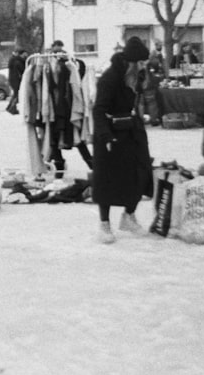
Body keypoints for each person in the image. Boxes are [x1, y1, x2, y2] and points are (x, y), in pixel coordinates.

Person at [91, 36, 151, 243]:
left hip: (131, 130)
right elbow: (98, 109)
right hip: (110, 133)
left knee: (139, 172)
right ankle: (104, 224)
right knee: (108, 178)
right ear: (132, 63)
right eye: (142, 63)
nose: (145, 66)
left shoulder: (136, 77)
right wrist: (105, 135)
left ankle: (129, 216)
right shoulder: (110, 78)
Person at [48, 40, 93, 170]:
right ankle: (61, 164)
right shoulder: (48, 65)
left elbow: (76, 84)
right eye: (56, 51)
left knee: (69, 137)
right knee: (61, 138)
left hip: (64, 107)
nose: (58, 53)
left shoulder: (69, 65)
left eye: (60, 51)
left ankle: (88, 164)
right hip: (60, 107)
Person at [143, 40, 166, 126]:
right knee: (151, 101)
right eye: (159, 45)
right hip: (149, 83)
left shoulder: (156, 55)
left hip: (147, 82)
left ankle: (151, 118)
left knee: (147, 102)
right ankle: (154, 119)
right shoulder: (153, 56)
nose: (160, 46)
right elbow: (155, 66)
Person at [5, 46, 26, 115]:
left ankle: (10, 107)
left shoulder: (13, 60)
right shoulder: (17, 61)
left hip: (13, 79)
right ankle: (12, 108)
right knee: (17, 94)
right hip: (16, 80)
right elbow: (22, 70)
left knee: (15, 94)